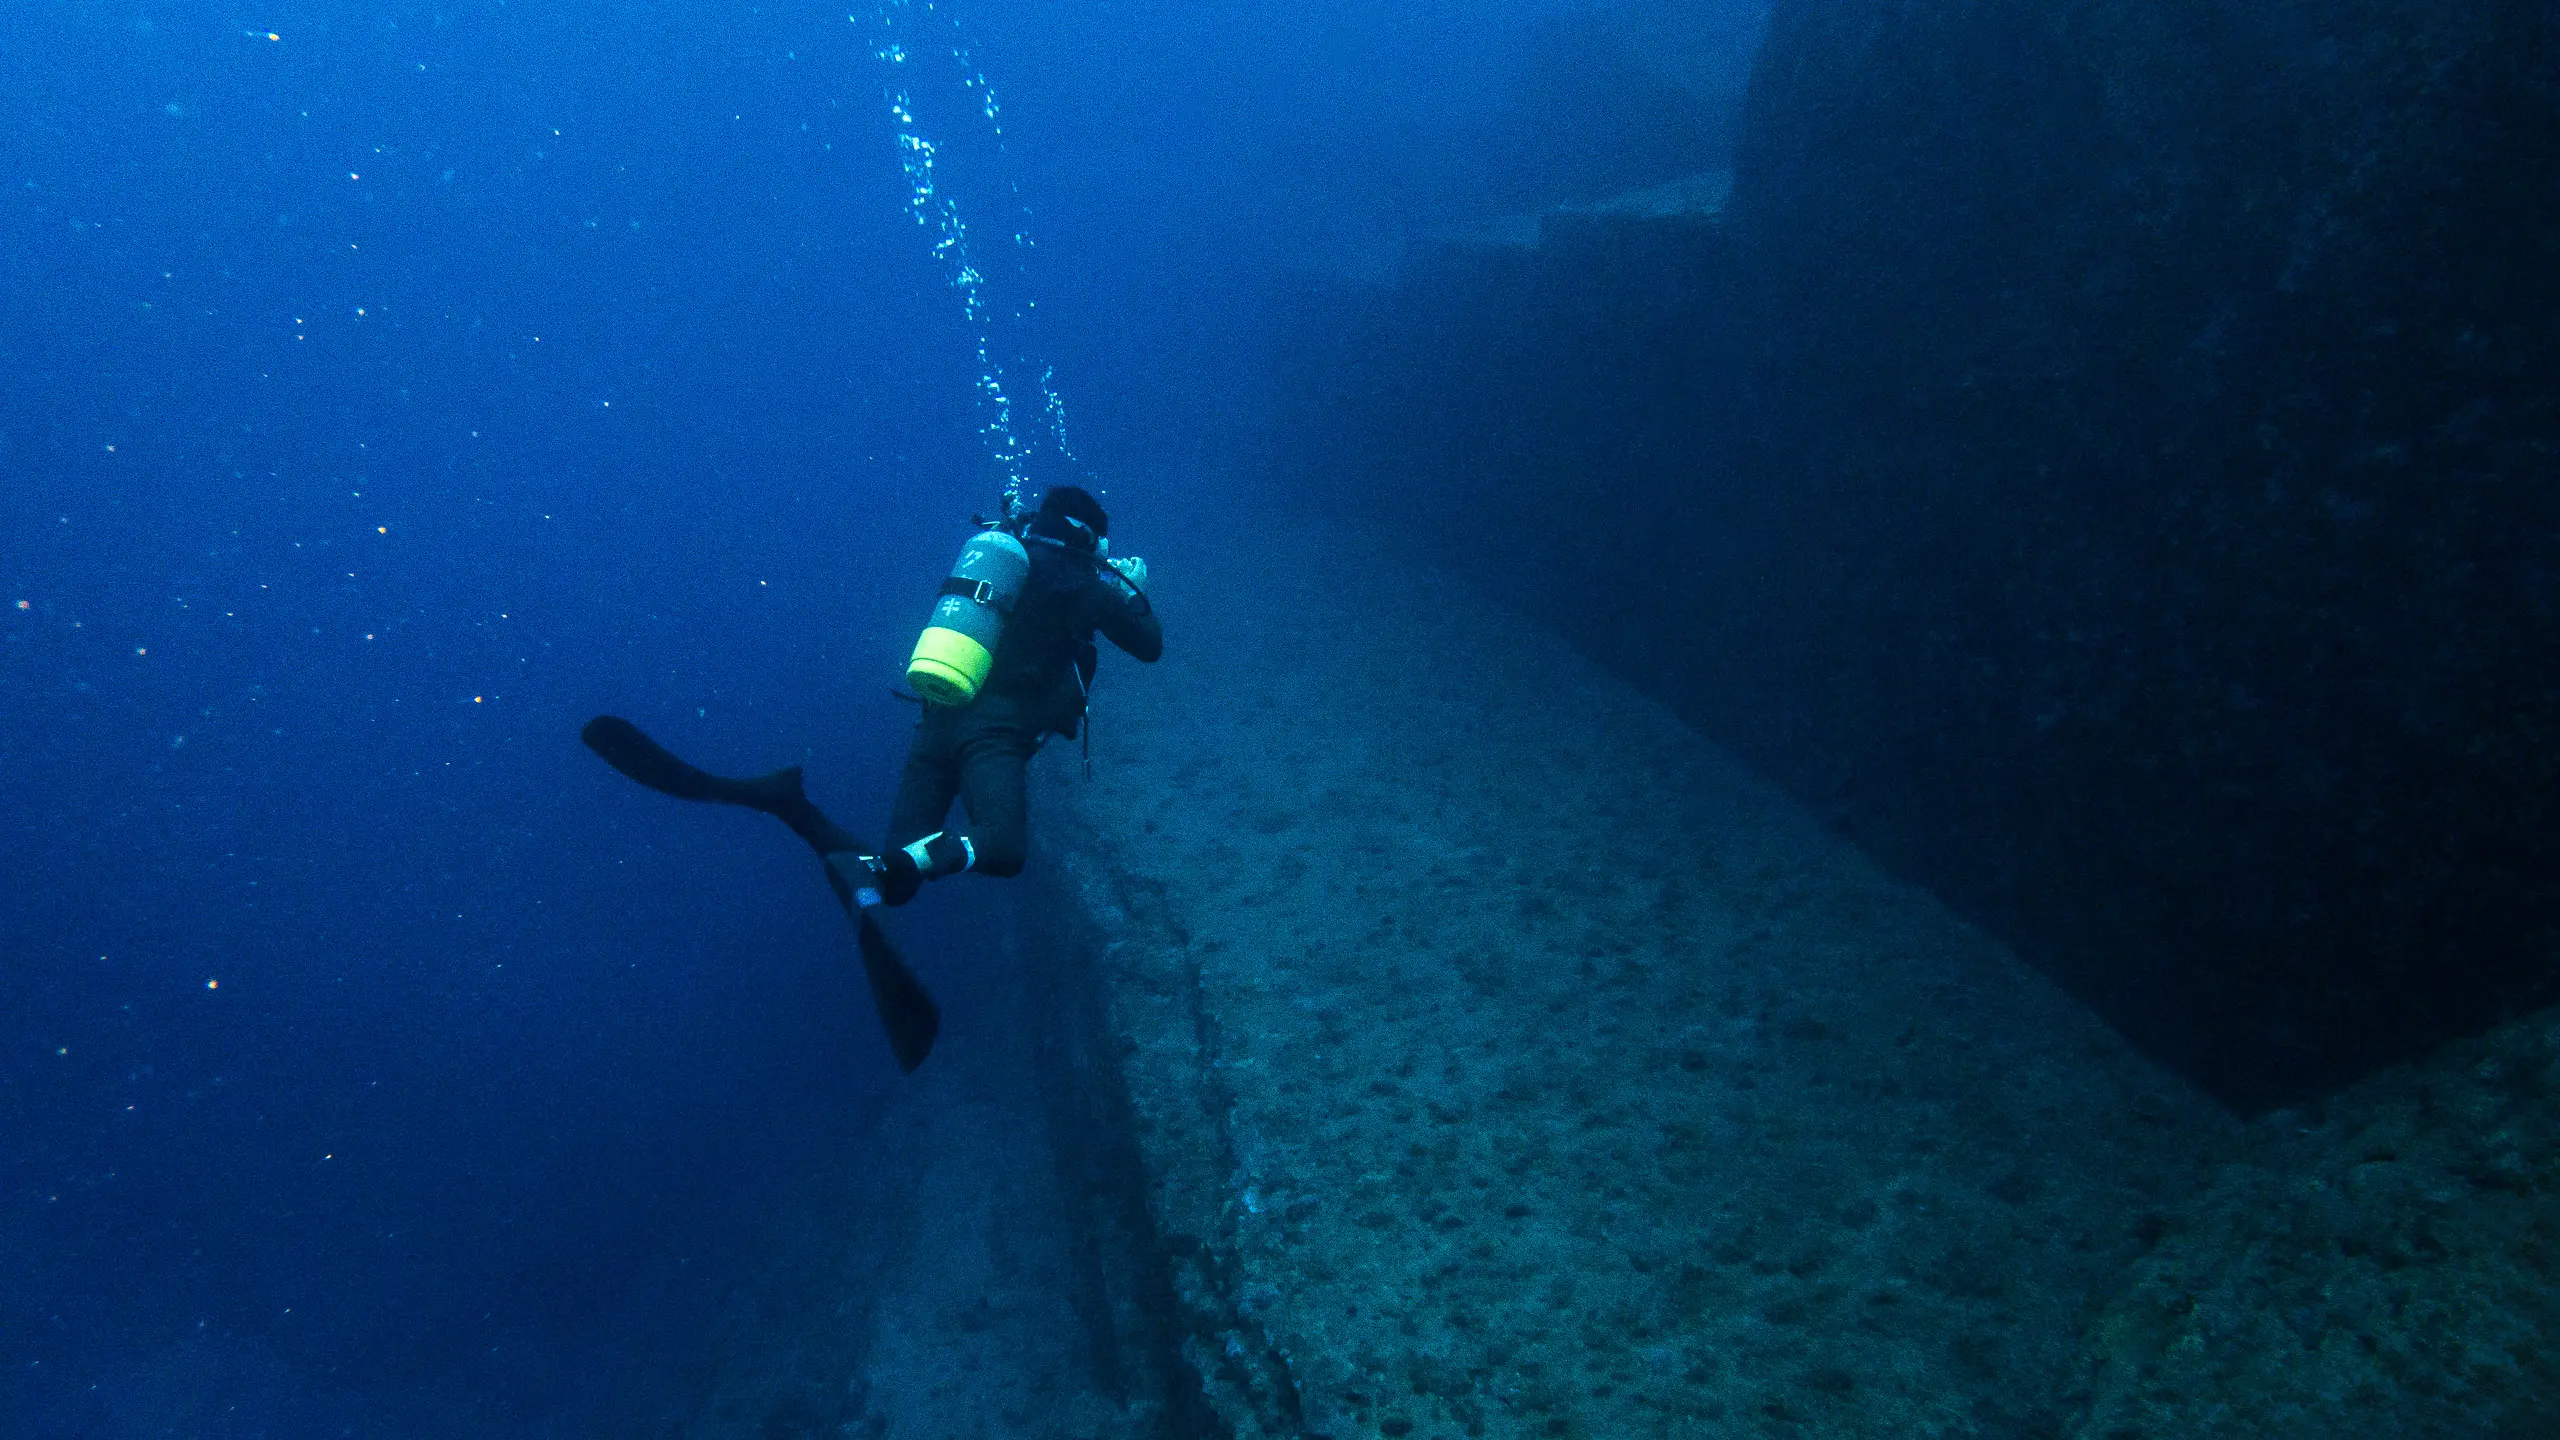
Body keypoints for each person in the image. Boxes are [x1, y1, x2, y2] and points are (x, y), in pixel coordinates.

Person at [854, 484, 1161, 907]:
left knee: (898, 878)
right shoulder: (1087, 589)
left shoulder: (1005, 560)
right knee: (1005, 847)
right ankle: (906, 860)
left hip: (937, 719)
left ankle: (810, 821)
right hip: (993, 736)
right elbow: (1150, 647)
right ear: (1086, 537)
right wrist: (1131, 592)